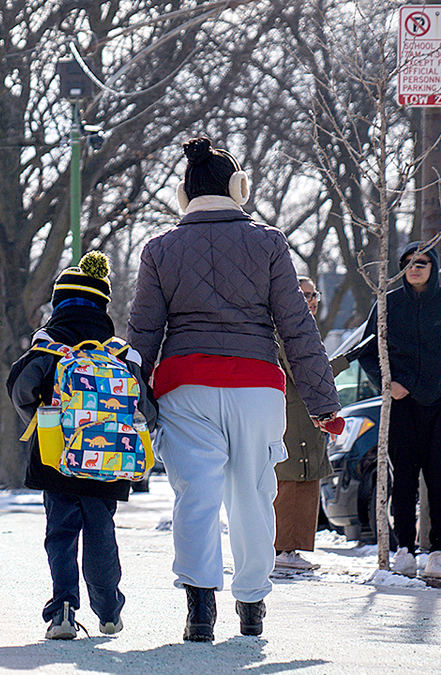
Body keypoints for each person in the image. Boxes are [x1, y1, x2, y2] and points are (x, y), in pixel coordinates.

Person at [127, 137, 339, 641]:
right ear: (238, 189)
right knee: (253, 493)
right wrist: (323, 402)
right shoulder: (268, 242)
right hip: (256, 384)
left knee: (195, 497)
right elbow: (296, 327)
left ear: (184, 195)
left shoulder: (158, 249)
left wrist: (133, 399)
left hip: (184, 387)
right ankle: (251, 603)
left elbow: (142, 334)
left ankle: (200, 610)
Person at [8, 251, 158, 640]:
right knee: (101, 532)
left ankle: (62, 610)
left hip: (56, 458)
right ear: (103, 304)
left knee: (60, 534)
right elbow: (148, 409)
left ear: (58, 303)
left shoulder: (48, 349)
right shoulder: (121, 353)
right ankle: (108, 611)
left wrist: (44, 424)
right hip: (108, 458)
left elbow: (20, 389)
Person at [357, 242, 441, 578]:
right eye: (408, 262)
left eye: (422, 262)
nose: (415, 267)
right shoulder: (387, 304)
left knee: (438, 480)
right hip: (402, 405)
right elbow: (366, 351)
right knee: (403, 479)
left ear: (433, 267)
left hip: (438, 405)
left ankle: (437, 550)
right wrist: (387, 383)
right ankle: (404, 548)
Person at [273, 277, 351, 572]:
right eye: (303, 295)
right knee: (292, 481)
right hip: (295, 418)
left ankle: (292, 548)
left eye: (313, 294)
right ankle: (283, 548)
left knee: (307, 481)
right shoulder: (286, 333)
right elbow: (306, 373)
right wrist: (344, 361)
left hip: (310, 418)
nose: (311, 300)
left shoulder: (307, 331)